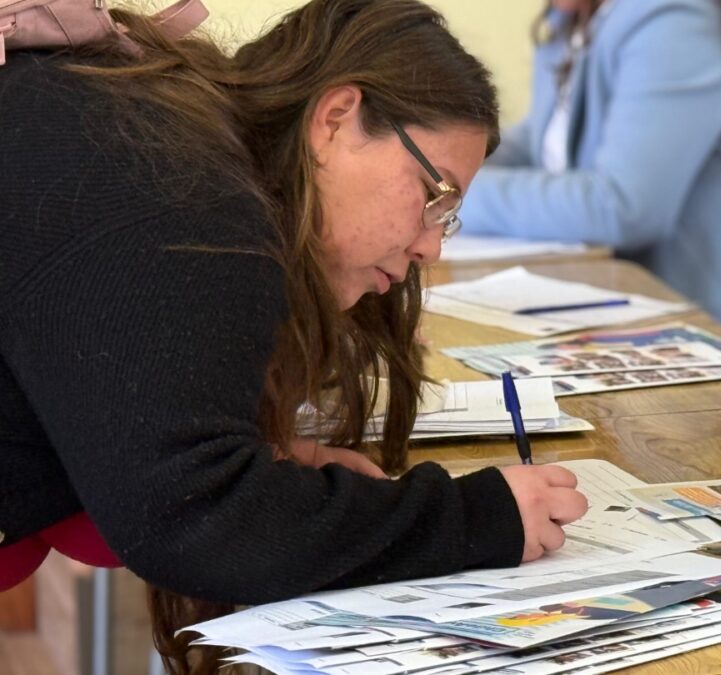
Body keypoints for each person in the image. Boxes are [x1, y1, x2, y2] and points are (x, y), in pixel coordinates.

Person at [0, 0, 588, 671]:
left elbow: (142, 470)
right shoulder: (189, 204)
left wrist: (260, 467)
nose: (430, 247)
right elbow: (195, 520)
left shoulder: (158, 150)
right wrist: (478, 517)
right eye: (436, 196)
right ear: (335, 119)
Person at [455, 0, 721, 341]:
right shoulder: (579, 16)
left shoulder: (677, 21)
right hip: (656, 314)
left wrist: (451, 191)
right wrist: (450, 161)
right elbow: (546, 139)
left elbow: (623, 207)